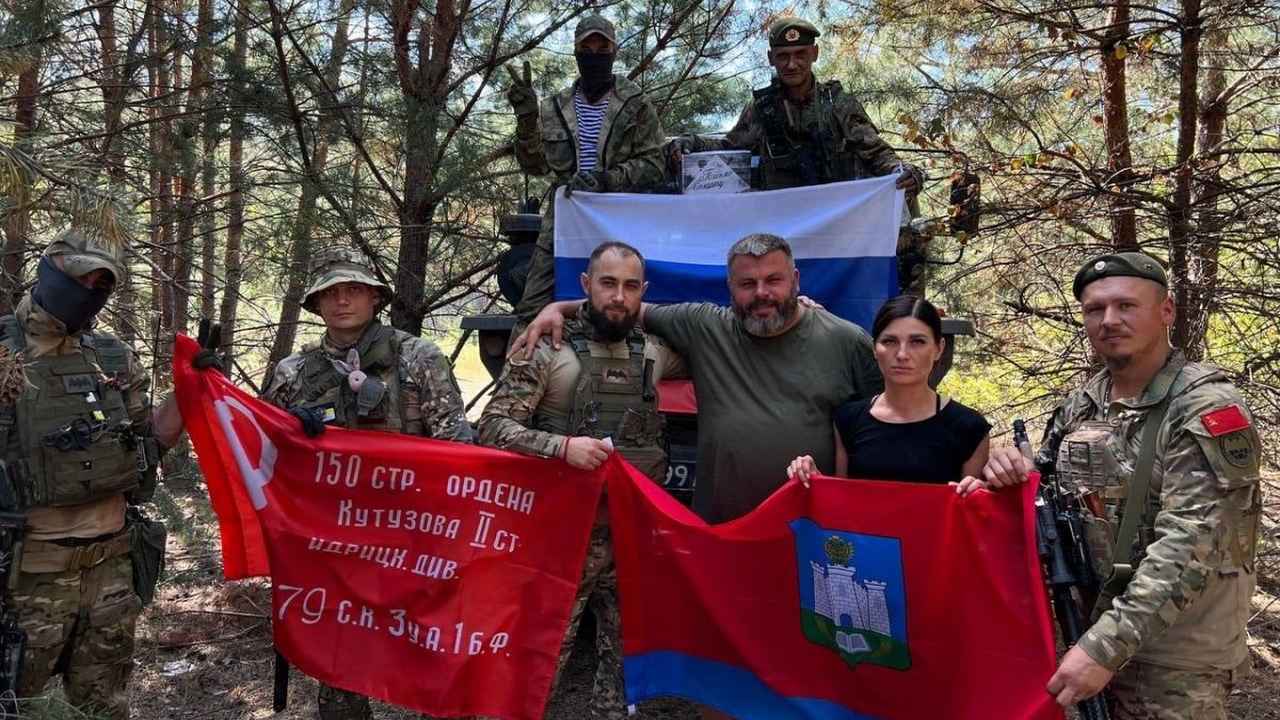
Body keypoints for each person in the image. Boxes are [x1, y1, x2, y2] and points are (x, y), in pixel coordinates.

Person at [982, 252, 1261, 719]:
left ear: (1166, 311)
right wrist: (1010, 471)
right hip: (1088, 634)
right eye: (1095, 310)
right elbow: (1047, 489)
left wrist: (1104, 647)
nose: (1109, 320)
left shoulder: (1207, 409)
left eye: (1126, 306)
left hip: (1173, 660)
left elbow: (1190, 545)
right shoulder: (1084, 403)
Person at [513, 233, 883, 524]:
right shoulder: (706, 325)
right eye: (747, 283)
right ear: (729, 287)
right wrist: (556, 307)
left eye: (774, 280)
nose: (761, 293)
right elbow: (621, 305)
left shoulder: (846, 341)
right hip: (721, 531)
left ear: (796, 280)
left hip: (812, 528)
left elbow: (881, 433)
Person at [261, 246, 472, 720]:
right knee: (340, 664)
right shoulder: (293, 373)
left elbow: (457, 449)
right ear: (316, 305)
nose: (342, 301)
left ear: (375, 298)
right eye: (330, 293)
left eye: (353, 289)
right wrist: (291, 429)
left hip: (414, 534)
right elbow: (265, 452)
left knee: (433, 656)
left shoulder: (418, 357)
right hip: (336, 541)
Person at [479, 241, 684, 720]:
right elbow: (491, 426)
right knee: (541, 657)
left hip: (631, 534)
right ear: (586, 286)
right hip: (561, 537)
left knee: (623, 659)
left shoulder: (656, 351)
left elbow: (728, 333)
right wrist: (562, 448)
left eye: (630, 286)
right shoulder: (546, 349)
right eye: (607, 283)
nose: (619, 296)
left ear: (644, 293)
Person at [0, 228, 186, 718]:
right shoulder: (4, 351)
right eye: (79, 278)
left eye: (102, 283)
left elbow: (149, 446)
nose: (89, 291)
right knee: (20, 707)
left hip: (111, 571)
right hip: (27, 577)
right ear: (48, 271)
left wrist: (191, 391)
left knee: (104, 707)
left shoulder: (112, 355)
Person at [666, 17, 928, 293]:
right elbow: (730, 148)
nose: (792, 64)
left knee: (905, 212)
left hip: (839, 229)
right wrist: (692, 144)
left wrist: (903, 172)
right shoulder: (762, 110)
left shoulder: (836, 104)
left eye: (800, 54)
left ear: (814, 53)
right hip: (786, 231)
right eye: (783, 56)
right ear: (771, 59)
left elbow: (875, 151)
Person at [507, 13, 666, 324]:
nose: (594, 55)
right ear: (576, 53)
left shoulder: (635, 104)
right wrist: (526, 120)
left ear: (614, 52)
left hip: (621, 219)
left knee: (626, 304)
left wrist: (608, 179)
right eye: (587, 48)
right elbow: (535, 166)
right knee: (532, 306)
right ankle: (525, 369)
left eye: (602, 48)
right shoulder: (555, 107)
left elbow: (655, 164)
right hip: (565, 221)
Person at [786, 295, 989, 493]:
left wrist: (984, 490)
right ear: (875, 348)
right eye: (890, 341)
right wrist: (812, 480)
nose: (902, 354)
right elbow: (843, 505)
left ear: (939, 348)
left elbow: (973, 516)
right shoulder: (848, 420)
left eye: (917, 342)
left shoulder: (969, 427)